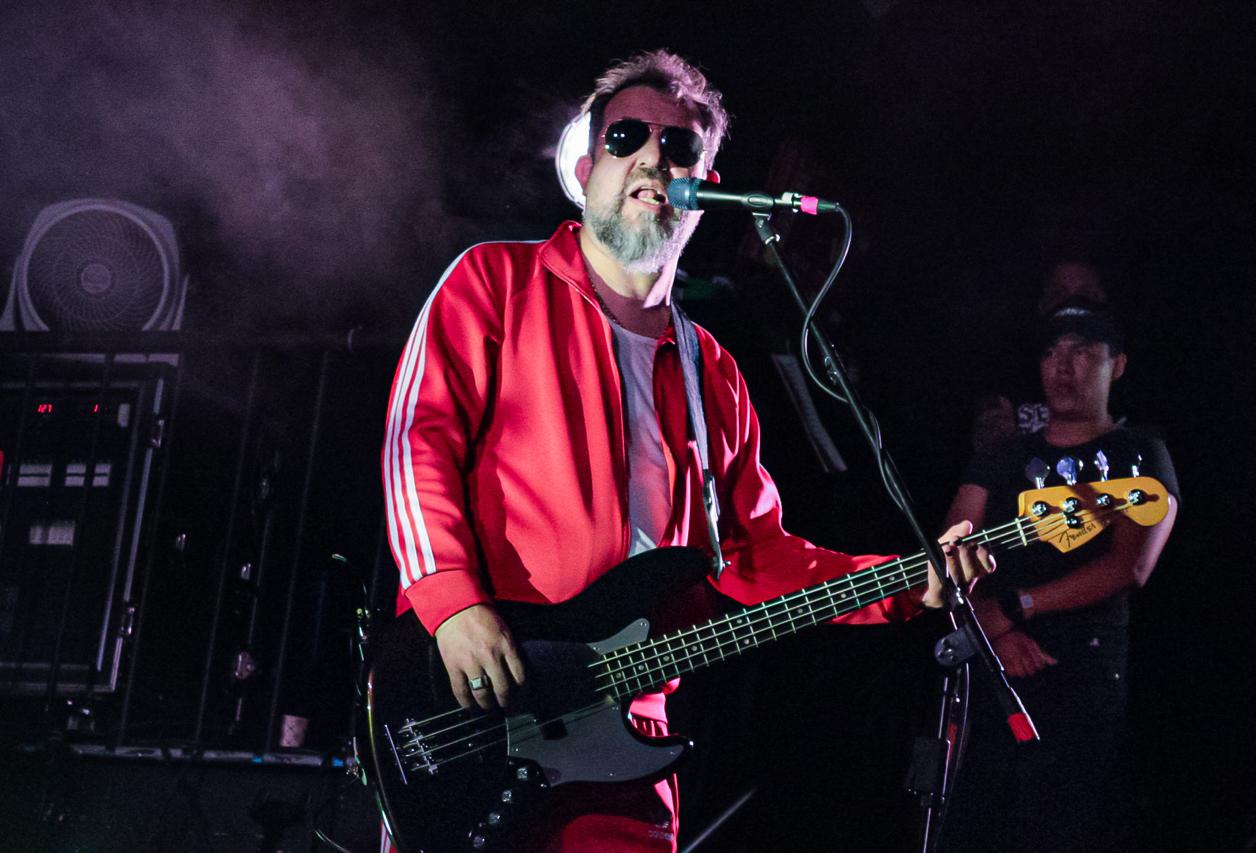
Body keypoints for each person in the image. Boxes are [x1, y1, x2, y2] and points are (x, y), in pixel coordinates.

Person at [382, 50, 992, 852]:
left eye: (678, 147)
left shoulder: (714, 373)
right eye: (626, 136)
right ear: (586, 168)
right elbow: (417, 444)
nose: (652, 157)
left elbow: (755, 554)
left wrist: (904, 582)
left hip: (626, 742)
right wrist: (452, 603)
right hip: (477, 694)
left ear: (705, 188)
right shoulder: (494, 282)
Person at [941, 300, 1179, 852]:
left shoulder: (1140, 454)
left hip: (1081, 672)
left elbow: (1130, 566)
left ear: (1118, 364)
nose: (1063, 366)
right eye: (1052, 352)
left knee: (1054, 827)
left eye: (1082, 351)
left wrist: (1015, 607)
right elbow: (951, 548)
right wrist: (994, 633)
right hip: (988, 662)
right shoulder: (1003, 456)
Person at [972, 259, 1112, 448]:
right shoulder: (1005, 374)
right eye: (1059, 294)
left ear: (1101, 300)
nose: (1071, 304)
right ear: (1043, 304)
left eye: (1085, 294)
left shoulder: (1130, 375)